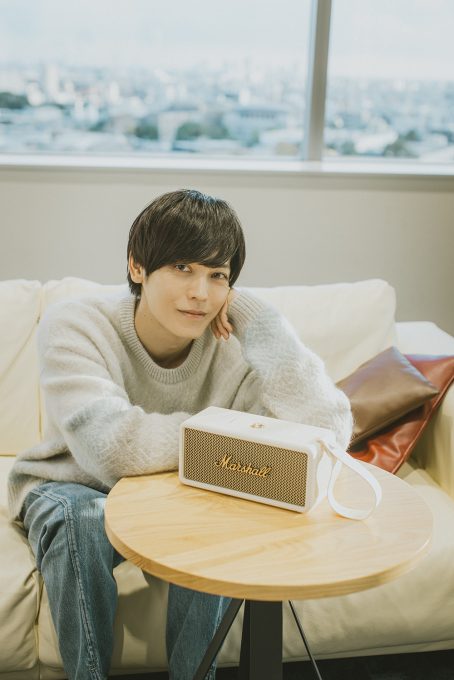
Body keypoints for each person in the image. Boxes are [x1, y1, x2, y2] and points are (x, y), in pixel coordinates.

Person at [8, 189, 353, 680]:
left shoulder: (235, 344)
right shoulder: (76, 325)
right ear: (137, 267)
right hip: (73, 483)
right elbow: (112, 447)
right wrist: (229, 443)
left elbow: (327, 435)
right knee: (83, 518)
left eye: (218, 276)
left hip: (185, 492)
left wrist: (261, 322)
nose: (200, 293)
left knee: (220, 518)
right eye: (183, 268)